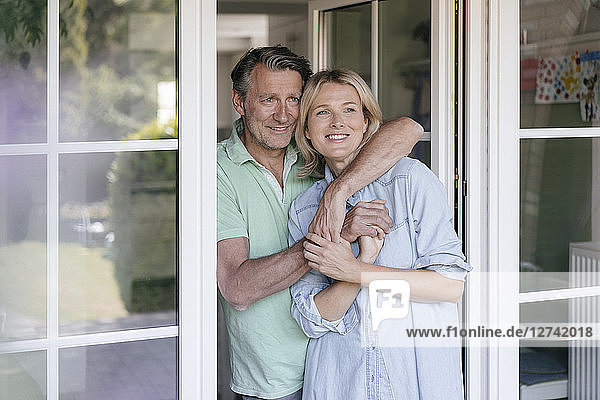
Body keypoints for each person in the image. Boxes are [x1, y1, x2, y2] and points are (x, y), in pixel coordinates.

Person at [217, 46, 423, 400]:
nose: (283, 115)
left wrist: (337, 191)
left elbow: (408, 128)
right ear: (240, 102)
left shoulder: (316, 148)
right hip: (275, 380)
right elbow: (238, 288)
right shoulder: (216, 170)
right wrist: (332, 236)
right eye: (268, 99)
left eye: (294, 99)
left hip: (345, 364)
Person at [288, 69, 472, 400]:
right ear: (307, 130)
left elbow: (450, 286)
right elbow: (314, 319)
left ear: (366, 121)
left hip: (414, 381)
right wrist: (362, 260)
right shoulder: (304, 209)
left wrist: (356, 270)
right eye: (322, 112)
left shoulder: (410, 181)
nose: (337, 122)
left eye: (349, 109)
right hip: (342, 383)